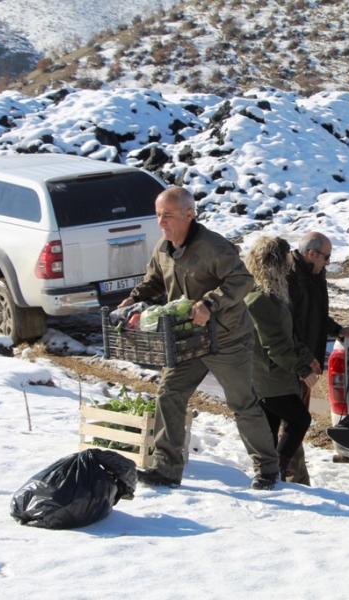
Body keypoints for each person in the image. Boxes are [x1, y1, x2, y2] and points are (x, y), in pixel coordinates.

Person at [118, 186, 280, 490]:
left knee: (241, 403)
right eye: (158, 215)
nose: (161, 222)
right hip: (186, 340)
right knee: (169, 392)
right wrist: (133, 300)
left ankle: (268, 469)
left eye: (167, 215)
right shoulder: (162, 249)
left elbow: (243, 280)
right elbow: (153, 281)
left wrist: (210, 303)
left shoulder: (214, 248)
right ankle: (165, 469)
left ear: (189, 214)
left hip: (227, 338)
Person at [284, 232, 349, 485]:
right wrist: (302, 361)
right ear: (311, 253)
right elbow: (286, 327)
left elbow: (315, 314)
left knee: (296, 420)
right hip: (291, 361)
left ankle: (286, 474)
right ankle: (292, 478)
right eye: (326, 257)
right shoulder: (289, 276)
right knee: (293, 421)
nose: (328, 262)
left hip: (306, 360)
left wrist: (337, 328)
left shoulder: (315, 274)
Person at [244, 236, 319, 482]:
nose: (289, 267)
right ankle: (276, 471)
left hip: (274, 374)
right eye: (285, 262)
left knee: (272, 428)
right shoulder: (261, 299)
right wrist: (302, 370)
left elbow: (287, 336)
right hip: (268, 376)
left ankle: (270, 474)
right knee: (300, 419)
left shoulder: (272, 295)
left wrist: (306, 357)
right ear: (273, 263)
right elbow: (274, 345)